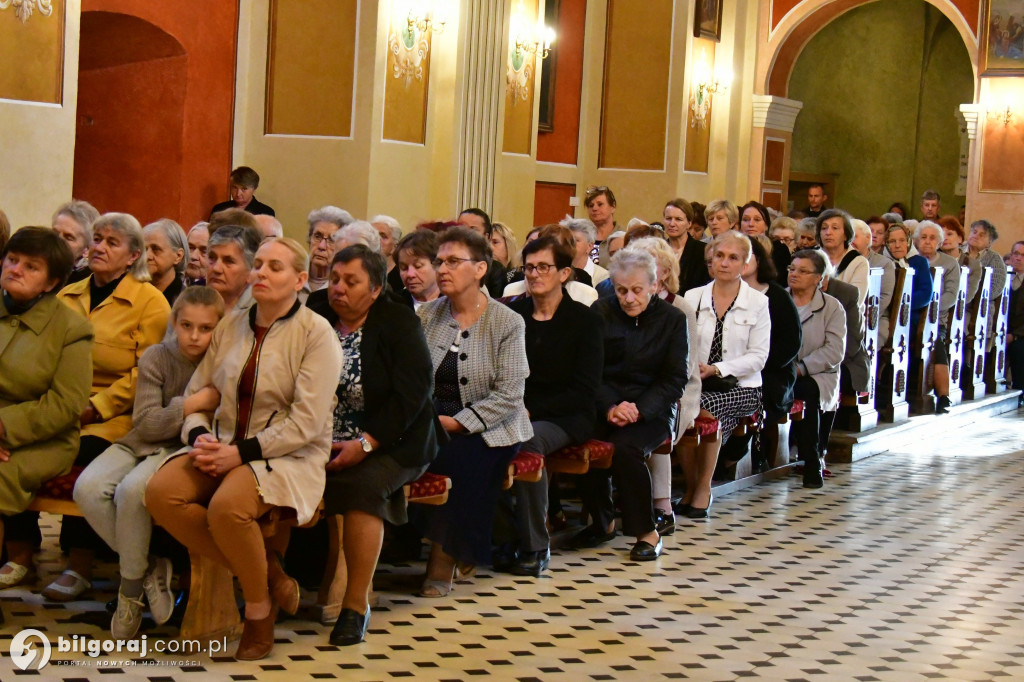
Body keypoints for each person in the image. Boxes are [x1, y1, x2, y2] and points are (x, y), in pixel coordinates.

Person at [146, 238, 342, 661]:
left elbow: (307, 423)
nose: (262, 274)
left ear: (300, 280)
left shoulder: (316, 334)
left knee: (226, 509)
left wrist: (241, 452)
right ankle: (268, 575)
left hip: (289, 454)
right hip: (226, 444)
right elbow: (200, 392)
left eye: (276, 267)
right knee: (161, 493)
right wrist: (200, 436)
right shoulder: (232, 325)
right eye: (259, 265)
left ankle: (257, 610)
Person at [306, 245, 439, 645]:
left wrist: (366, 443)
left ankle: (355, 604)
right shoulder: (316, 315)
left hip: (393, 437)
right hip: (319, 434)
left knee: (360, 486)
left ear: (377, 288)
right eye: (334, 280)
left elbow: (413, 395)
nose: (338, 290)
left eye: (351, 282)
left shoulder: (397, 321)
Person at [74, 287, 224, 637]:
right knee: (88, 489)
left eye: (206, 329)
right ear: (174, 322)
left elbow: (188, 425)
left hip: (178, 451)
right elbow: (145, 422)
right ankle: (149, 566)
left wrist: (176, 414)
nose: (194, 336)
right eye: (186, 326)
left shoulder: (222, 363)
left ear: (220, 328)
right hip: (136, 443)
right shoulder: (157, 356)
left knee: (131, 492)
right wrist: (191, 403)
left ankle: (129, 593)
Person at [43, 213, 171, 602]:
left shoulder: (151, 303)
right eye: (96, 239)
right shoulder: (67, 295)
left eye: (111, 242)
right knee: (13, 445)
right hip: (61, 407)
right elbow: (46, 360)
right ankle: (15, 553)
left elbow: (145, 373)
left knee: (82, 453)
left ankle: (79, 565)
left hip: (116, 419)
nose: (99, 247)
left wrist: (95, 408)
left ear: (133, 256)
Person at [414, 227, 531, 596]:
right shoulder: (426, 315)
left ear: (480, 269)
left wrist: (459, 423)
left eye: (453, 261)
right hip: (431, 423)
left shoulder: (507, 321)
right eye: (439, 262)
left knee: (457, 458)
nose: (442, 269)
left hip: (491, 427)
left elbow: (509, 394)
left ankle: (444, 557)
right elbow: (413, 379)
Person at [497, 236, 603, 576]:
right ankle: (498, 538)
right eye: (529, 267)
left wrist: (531, 410)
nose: (534, 274)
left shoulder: (584, 321)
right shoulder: (513, 315)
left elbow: (584, 389)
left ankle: (534, 546)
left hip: (568, 415)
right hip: (514, 408)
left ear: (564, 273)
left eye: (544, 267)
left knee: (527, 439)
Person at [573, 248, 687, 561]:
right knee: (578, 436)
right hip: (605, 403)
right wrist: (610, 405)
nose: (629, 298)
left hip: (652, 409)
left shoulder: (673, 320)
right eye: (621, 290)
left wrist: (638, 409)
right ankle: (602, 520)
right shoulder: (601, 311)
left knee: (625, 448)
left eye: (637, 290)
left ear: (654, 285)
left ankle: (646, 532)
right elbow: (589, 369)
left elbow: (674, 379)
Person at [0, 228, 93, 589]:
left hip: (45, 439)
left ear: (51, 282)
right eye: (12, 259)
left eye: (31, 266)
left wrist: (4, 428)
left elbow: (65, 405)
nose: (16, 269)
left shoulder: (71, 328)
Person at [681, 231, 770, 518]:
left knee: (706, 408)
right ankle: (691, 484)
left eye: (733, 258)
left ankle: (704, 487)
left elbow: (759, 357)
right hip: (696, 381)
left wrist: (718, 368)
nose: (724, 263)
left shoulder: (758, 302)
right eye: (719, 256)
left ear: (745, 265)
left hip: (742, 386)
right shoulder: (693, 297)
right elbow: (681, 342)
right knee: (681, 408)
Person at [733, 237, 800, 473]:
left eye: (744, 256)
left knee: (750, 392)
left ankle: (738, 452)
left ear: (758, 260)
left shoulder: (777, 296)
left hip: (771, 373)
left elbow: (791, 343)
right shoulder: (725, 293)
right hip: (732, 370)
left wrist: (756, 365)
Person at [787, 250, 846, 488]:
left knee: (809, 390)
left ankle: (811, 459)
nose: (795, 274)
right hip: (780, 371)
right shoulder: (776, 301)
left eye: (803, 271)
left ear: (818, 278)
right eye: (792, 269)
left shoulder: (832, 307)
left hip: (818, 374)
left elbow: (834, 351)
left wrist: (801, 368)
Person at [914, 220, 961, 414]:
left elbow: (951, 295)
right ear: (916, 241)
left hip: (936, 318)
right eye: (923, 237)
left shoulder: (949, 264)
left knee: (936, 344)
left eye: (932, 238)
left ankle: (943, 395)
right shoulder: (912, 261)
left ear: (939, 242)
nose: (927, 241)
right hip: (911, 316)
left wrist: (930, 310)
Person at [852, 219, 895, 342]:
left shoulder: (884, 263)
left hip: (874, 316)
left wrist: (864, 317)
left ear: (867, 238)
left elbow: (884, 296)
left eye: (854, 237)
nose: (851, 242)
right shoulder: (840, 261)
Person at [965, 219, 1007, 341]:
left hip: (977, 306)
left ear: (989, 243)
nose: (975, 236)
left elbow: (995, 288)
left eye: (982, 235)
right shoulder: (958, 250)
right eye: (974, 232)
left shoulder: (994, 259)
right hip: (956, 302)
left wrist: (970, 297)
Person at [817, 209, 869, 302]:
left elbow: (856, 300)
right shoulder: (811, 258)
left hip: (847, 314)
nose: (828, 232)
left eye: (835, 228)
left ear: (846, 235)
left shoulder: (858, 262)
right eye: (824, 228)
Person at [303, 206, 354, 301]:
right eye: (317, 236)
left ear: (344, 247)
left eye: (332, 240)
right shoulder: (292, 273)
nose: (322, 246)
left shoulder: (343, 288)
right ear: (309, 238)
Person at [206, 224, 261, 312]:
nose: (216, 268)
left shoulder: (260, 314)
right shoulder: (192, 303)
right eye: (212, 258)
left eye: (229, 261)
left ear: (250, 271)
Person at [457, 208, 507, 297]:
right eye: (461, 228)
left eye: (473, 230)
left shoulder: (496, 270)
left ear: (486, 237)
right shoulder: (445, 263)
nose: (466, 234)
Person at [664, 198, 711, 293]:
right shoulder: (657, 249)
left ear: (689, 223)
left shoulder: (703, 251)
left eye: (678, 219)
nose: (672, 224)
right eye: (668, 218)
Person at [741, 201, 791, 287]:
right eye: (746, 220)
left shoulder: (779, 249)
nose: (751, 224)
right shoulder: (732, 247)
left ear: (766, 225)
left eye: (757, 220)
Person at [53, 200, 101, 284]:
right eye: (55, 233)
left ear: (87, 249)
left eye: (68, 237)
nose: (57, 240)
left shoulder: (91, 283)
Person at [143, 219, 188, 306]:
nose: (147, 256)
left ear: (178, 256)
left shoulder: (187, 302)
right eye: (144, 249)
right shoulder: (132, 294)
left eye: (156, 249)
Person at [394, 230, 441, 310]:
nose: (410, 274)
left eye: (418, 266)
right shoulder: (393, 305)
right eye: (404, 268)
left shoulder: (455, 303)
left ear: (437, 264)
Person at [209, 166, 275, 218]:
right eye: (235, 188)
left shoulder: (265, 212)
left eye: (244, 189)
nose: (238, 193)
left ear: (254, 189)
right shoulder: (220, 209)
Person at [563, 218, 608, 286]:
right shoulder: (557, 272)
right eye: (567, 240)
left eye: (576, 240)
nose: (570, 243)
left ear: (589, 246)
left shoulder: (603, 278)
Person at [1006, 241, 1024, 405]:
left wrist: (1014, 335)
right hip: (1003, 329)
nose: (1018, 258)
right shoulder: (1005, 277)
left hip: (1020, 333)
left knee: (1019, 349)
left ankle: (1020, 390)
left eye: (1023, 255)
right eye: (1015, 254)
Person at [584, 186, 618, 266]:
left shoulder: (622, 237)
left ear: (613, 207)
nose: (595, 208)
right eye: (591, 205)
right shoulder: (583, 236)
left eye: (600, 204)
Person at [370, 214, 403, 293]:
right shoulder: (361, 271)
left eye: (383, 236)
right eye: (372, 235)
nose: (375, 240)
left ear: (395, 246)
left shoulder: (402, 276)